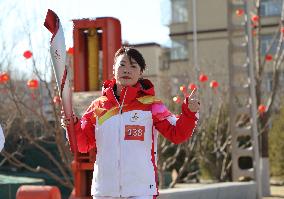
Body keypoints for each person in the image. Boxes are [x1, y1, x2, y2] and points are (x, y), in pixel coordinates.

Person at [63, 46, 200, 199]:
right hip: (105, 191)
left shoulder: (151, 105)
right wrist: (72, 124)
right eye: (122, 65)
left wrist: (190, 113)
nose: (127, 70)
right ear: (114, 68)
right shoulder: (98, 106)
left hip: (140, 191)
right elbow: (82, 145)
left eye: (133, 66)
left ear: (141, 72)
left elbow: (178, 134)